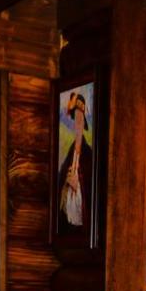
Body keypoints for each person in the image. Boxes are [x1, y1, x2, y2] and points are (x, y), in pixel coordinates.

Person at [57, 90, 93, 232]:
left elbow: (90, 192)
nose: (77, 122)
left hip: (80, 227)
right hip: (67, 224)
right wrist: (67, 183)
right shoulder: (70, 154)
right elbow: (60, 184)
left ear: (84, 122)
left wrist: (77, 185)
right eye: (75, 118)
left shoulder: (89, 155)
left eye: (80, 118)